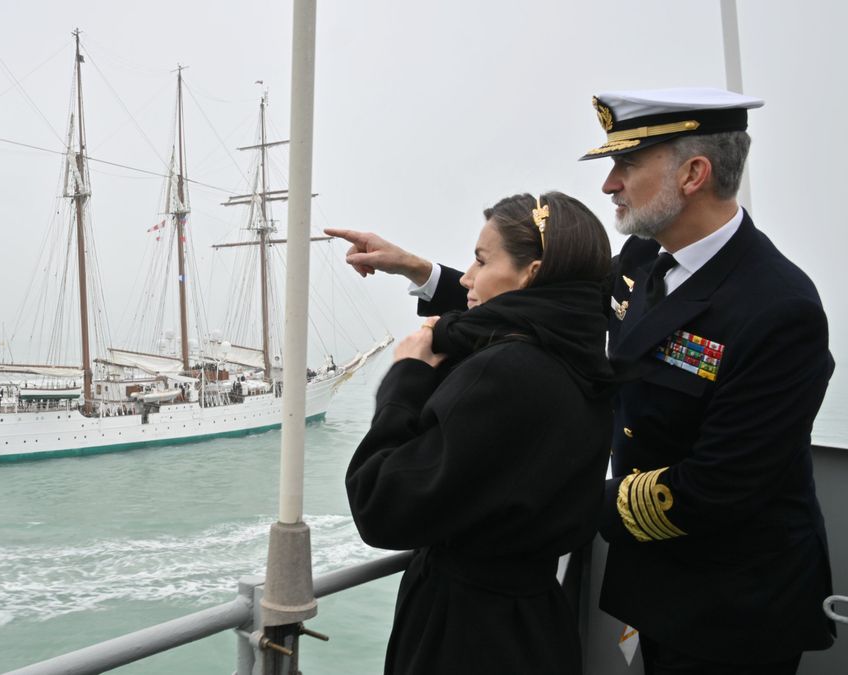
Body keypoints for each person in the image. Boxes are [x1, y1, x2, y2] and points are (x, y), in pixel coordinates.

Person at [331, 87, 836, 674]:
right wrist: (420, 271)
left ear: (694, 174)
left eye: (626, 165)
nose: (609, 185)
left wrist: (544, 501)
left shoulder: (777, 307)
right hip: (650, 577)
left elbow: (720, 485)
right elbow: (549, 305)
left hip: (736, 600)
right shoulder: (645, 262)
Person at [344, 192, 614, 674]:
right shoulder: (583, 358)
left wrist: (405, 378)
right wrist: (413, 267)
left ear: (531, 274)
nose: (466, 276)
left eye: (481, 260)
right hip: (536, 623)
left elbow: (379, 504)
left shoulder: (503, 373)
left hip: (465, 635)